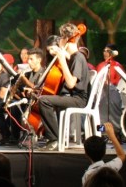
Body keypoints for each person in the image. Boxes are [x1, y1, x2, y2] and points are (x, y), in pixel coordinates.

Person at [36, 23, 91, 151]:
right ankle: (55, 136)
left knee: (44, 100)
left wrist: (61, 59)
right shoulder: (73, 57)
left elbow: (71, 83)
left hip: (79, 99)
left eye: (60, 38)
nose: (59, 40)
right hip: (72, 96)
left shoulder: (78, 57)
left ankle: (54, 139)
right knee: (50, 97)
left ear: (65, 39)